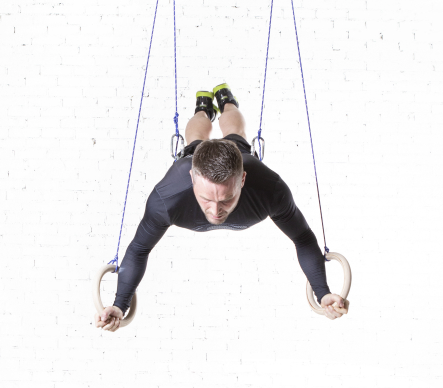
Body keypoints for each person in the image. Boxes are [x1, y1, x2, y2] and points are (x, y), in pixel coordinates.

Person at [95, 84, 348, 332]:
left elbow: (303, 238)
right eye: (206, 199)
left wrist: (322, 292)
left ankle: (227, 101)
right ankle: (203, 109)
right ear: (193, 178)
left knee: (236, 134)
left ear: (243, 180)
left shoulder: (270, 189)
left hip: (240, 159)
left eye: (226, 199)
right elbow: (139, 249)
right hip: (191, 162)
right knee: (195, 140)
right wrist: (119, 304)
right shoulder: (167, 198)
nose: (216, 211)